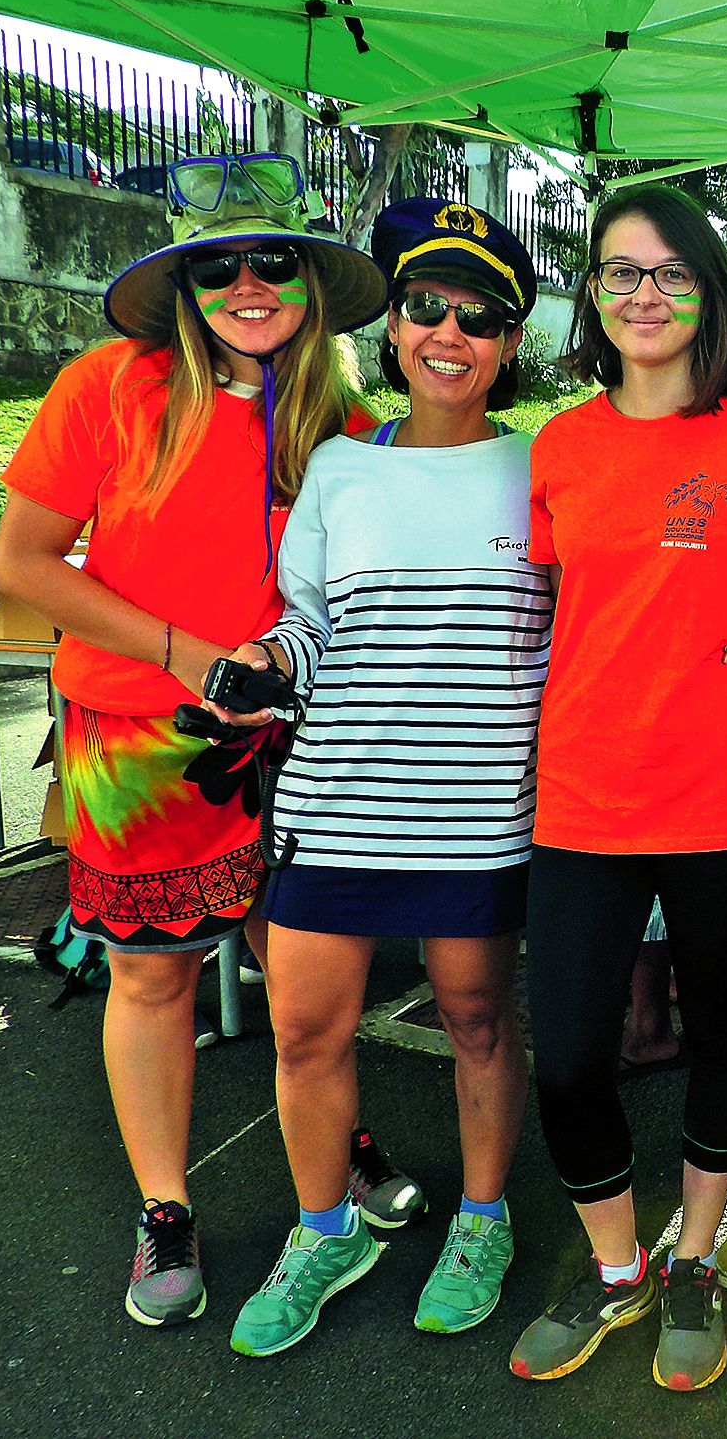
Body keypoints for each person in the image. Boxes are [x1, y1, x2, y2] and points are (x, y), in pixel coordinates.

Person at [0, 153, 392, 1329]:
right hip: (140, 734)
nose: (248, 284)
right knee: (151, 971)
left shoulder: (346, 417)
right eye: (217, 264)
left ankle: (337, 1144)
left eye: (275, 259)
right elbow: (25, 562)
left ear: (311, 278)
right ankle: (165, 1206)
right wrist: (178, 653)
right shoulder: (108, 387)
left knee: (308, 969)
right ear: (183, 281)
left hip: (291, 732)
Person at [215, 198, 545, 1357]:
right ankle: (324, 1231)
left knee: (475, 1018)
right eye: (424, 306)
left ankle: (485, 1219)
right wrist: (264, 661)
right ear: (395, 328)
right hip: (334, 806)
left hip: (475, 814)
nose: (448, 331)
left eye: (480, 315)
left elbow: (586, 635)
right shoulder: (337, 471)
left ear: (510, 344)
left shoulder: (542, 470)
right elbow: (307, 627)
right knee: (305, 1033)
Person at [507, 184, 727, 1394]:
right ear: (591, 294)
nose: (643, 294)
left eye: (669, 273)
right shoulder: (562, 445)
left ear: (709, 292)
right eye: (617, 272)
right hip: (583, 788)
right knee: (571, 1060)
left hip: (725, 790)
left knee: (717, 1036)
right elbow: (553, 606)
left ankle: (692, 1254)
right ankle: (614, 1267)